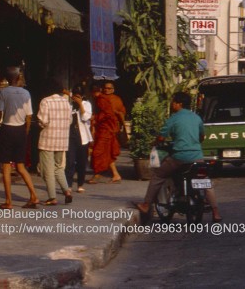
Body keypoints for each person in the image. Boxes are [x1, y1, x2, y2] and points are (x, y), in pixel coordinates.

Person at [133, 91, 221, 222]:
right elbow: (202, 137)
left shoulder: (173, 118)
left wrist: (155, 142)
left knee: (158, 175)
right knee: (205, 182)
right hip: (197, 156)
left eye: (173, 102)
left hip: (179, 157)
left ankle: (146, 205)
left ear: (179, 104)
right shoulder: (196, 117)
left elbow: (161, 137)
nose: (172, 104)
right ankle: (216, 212)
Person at [0, 67, 39, 209]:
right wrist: (26, 130)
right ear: (18, 78)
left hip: (7, 129)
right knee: (20, 166)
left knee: (6, 166)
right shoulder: (26, 93)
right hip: (20, 130)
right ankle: (34, 195)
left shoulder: (3, 92)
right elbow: (29, 116)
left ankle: (8, 201)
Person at [37, 79, 73, 205]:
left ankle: (52, 197)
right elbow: (69, 121)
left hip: (47, 139)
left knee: (48, 170)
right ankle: (67, 191)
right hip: (62, 140)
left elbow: (43, 120)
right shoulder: (66, 103)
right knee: (59, 168)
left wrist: (39, 123)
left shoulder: (45, 101)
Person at [88, 81, 125, 183]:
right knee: (107, 152)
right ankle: (116, 174)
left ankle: (97, 174)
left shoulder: (102, 100)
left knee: (97, 152)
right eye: (105, 88)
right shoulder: (102, 99)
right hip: (106, 128)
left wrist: (95, 118)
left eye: (109, 88)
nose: (106, 90)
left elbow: (108, 114)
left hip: (107, 129)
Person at [65, 86, 93, 193]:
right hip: (70, 136)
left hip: (83, 137)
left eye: (78, 96)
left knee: (82, 162)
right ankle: (68, 184)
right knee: (70, 161)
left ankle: (80, 184)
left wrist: (80, 104)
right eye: (74, 96)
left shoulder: (87, 104)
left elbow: (85, 117)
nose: (76, 98)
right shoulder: (69, 105)